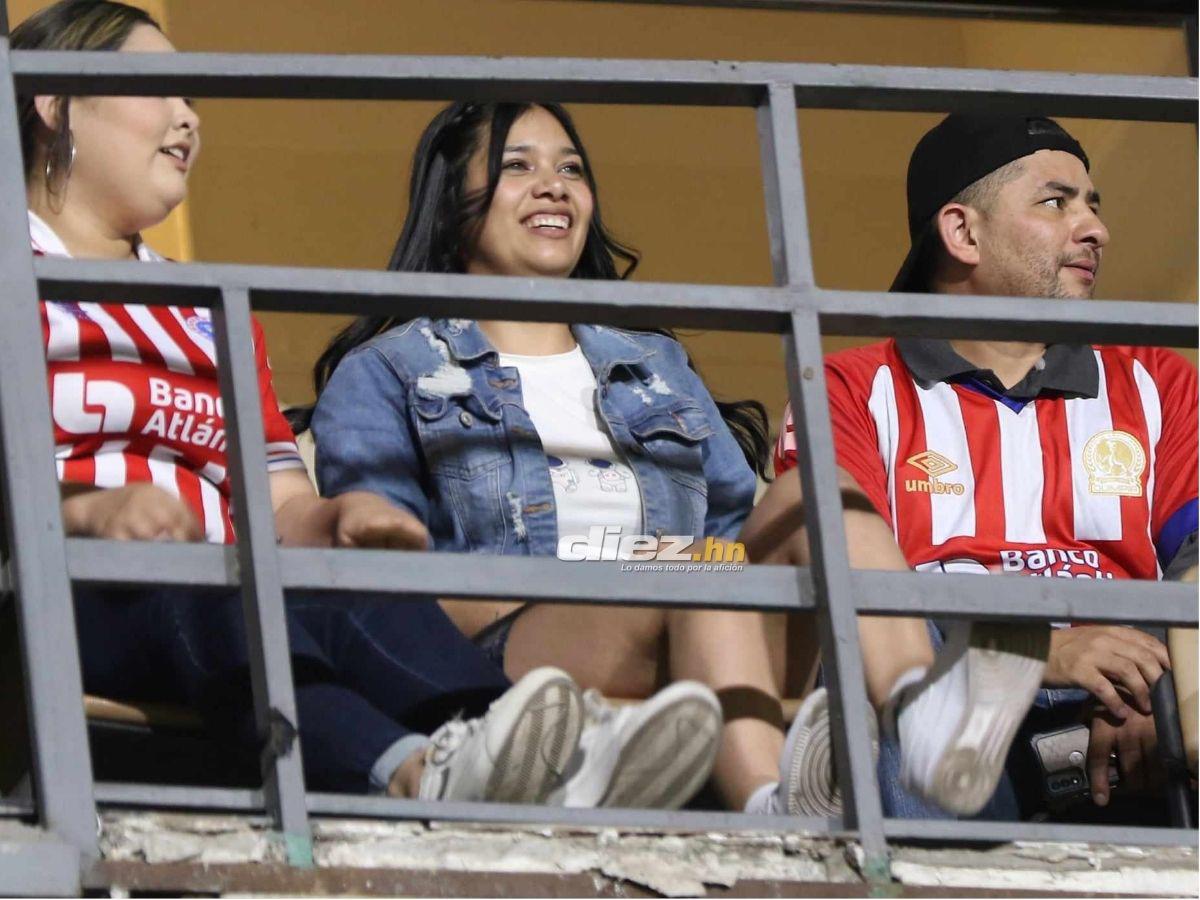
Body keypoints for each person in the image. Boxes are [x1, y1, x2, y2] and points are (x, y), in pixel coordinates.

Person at [16, 0, 697, 807]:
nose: (187, 117)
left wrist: (338, 520)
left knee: (350, 584)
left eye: (191, 97)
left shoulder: (210, 308)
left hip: (222, 588)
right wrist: (84, 510)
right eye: (155, 89)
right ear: (53, 100)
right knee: (206, 595)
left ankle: (530, 756)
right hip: (61, 590)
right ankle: (414, 771)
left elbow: (281, 504)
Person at [299, 100, 816, 812]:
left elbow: (729, 542)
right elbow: (388, 589)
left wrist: (661, 563)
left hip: (697, 617)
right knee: (695, 574)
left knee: (818, 498)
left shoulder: (654, 363)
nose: (554, 186)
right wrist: (628, 568)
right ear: (450, 206)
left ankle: (922, 726)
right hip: (511, 654)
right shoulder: (389, 370)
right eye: (518, 166)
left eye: (571, 169)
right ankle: (769, 805)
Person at [749, 113, 1197, 818]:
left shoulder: (1159, 381)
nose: (1095, 229)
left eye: (1093, 205)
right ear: (962, 233)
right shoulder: (850, 387)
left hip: (1117, 709)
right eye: (1057, 203)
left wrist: (1166, 689)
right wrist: (1038, 653)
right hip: (934, 701)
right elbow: (852, 588)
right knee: (885, 648)